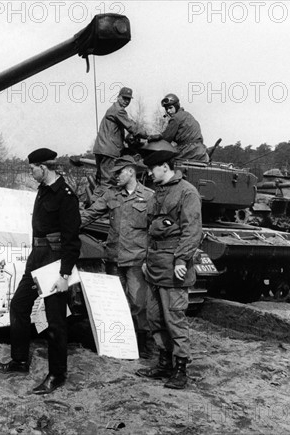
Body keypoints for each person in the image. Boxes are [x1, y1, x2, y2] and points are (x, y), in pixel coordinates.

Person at [0, 148, 81, 395]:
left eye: (32, 168)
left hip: (55, 262)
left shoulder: (65, 195)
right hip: (37, 258)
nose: (30, 172)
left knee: (55, 321)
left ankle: (57, 375)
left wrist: (64, 275)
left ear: (44, 167)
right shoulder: (43, 191)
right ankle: (20, 361)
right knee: (19, 305)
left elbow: (72, 240)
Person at [135, 147, 203, 390]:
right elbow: (148, 230)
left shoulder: (187, 193)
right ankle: (163, 363)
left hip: (173, 266)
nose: (150, 173)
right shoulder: (156, 195)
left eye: (152, 168)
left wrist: (182, 260)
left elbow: (192, 230)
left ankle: (181, 368)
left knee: (174, 318)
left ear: (165, 166)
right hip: (154, 264)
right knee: (155, 317)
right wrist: (145, 259)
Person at [80, 155, 154, 358]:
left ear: (130, 171)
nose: (115, 177)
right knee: (116, 304)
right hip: (114, 257)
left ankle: (142, 342)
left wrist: (151, 258)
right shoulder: (111, 195)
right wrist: (68, 225)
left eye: (119, 172)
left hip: (137, 259)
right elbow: (90, 214)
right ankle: (120, 343)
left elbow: (155, 230)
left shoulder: (149, 197)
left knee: (139, 303)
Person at [93, 87, 146, 196]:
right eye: (124, 98)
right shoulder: (118, 110)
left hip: (101, 149)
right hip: (109, 150)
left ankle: (94, 205)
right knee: (108, 182)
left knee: (101, 182)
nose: (126, 101)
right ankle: (101, 209)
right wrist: (148, 135)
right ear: (118, 97)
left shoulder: (114, 109)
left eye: (128, 99)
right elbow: (131, 126)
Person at [148, 93, 209, 162]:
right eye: (166, 109)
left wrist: (154, 138)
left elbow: (166, 138)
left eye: (170, 108)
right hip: (201, 151)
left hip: (188, 150)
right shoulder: (187, 115)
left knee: (162, 161)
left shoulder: (175, 118)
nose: (168, 111)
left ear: (176, 106)